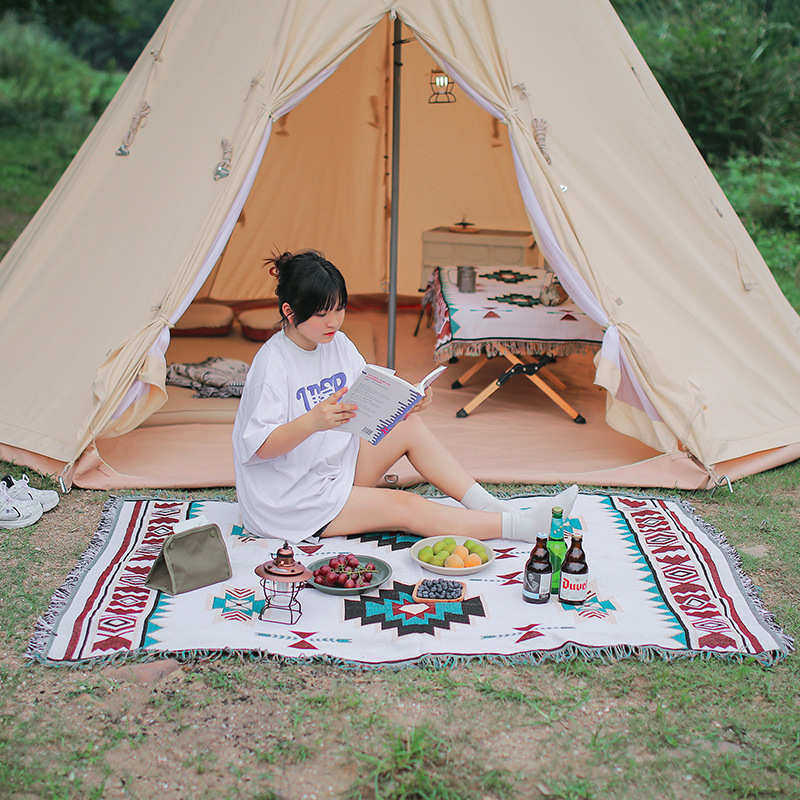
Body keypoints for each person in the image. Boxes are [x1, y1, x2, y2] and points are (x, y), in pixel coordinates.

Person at [232, 250, 578, 544]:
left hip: (328, 469)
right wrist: (313, 421)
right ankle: (522, 527)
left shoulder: (337, 344)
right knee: (405, 509)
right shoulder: (272, 363)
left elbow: (362, 403)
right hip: (290, 501)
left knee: (410, 426)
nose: (333, 322)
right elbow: (260, 447)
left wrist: (403, 403)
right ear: (290, 313)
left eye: (339, 309)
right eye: (322, 314)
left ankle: (492, 508)